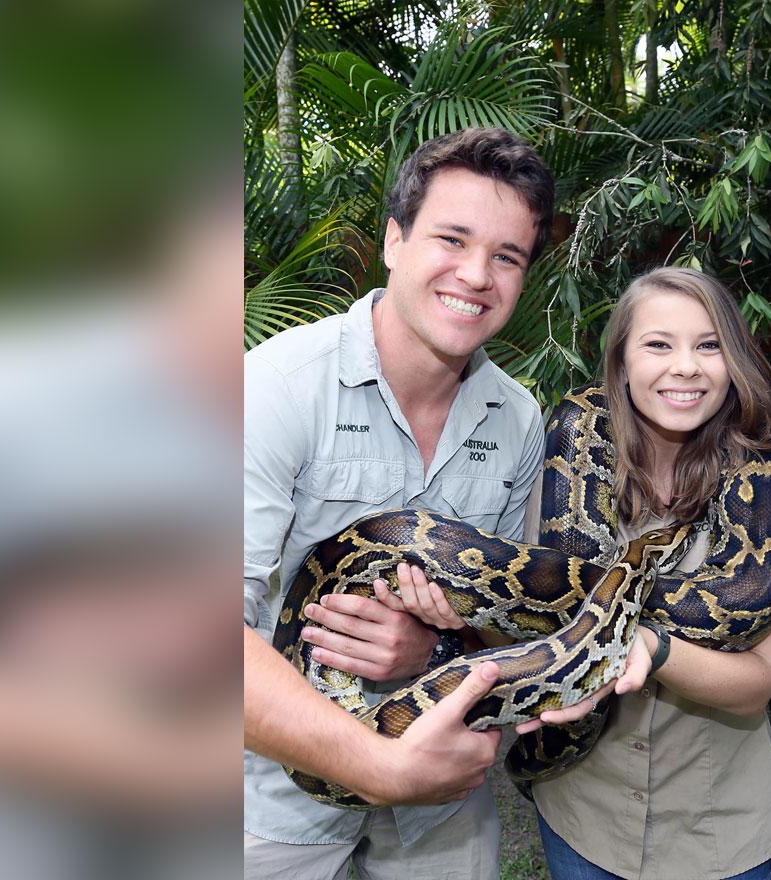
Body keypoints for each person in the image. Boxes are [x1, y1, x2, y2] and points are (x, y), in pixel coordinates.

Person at [396, 266, 771, 880]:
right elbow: (527, 635)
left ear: (734, 363)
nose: (686, 367)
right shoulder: (559, 473)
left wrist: (644, 643)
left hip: (718, 829)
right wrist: (452, 621)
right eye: (657, 344)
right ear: (620, 363)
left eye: (709, 345)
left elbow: (757, 682)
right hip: (585, 817)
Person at [242, 128, 556, 880]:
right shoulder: (275, 388)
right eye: (453, 238)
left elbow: (507, 629)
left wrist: (434, 647)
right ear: (394, 240)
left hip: (441, 809)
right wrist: (380, 765)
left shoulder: (517, 420)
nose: (477, 274)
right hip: (273, 792)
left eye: (507, 255)